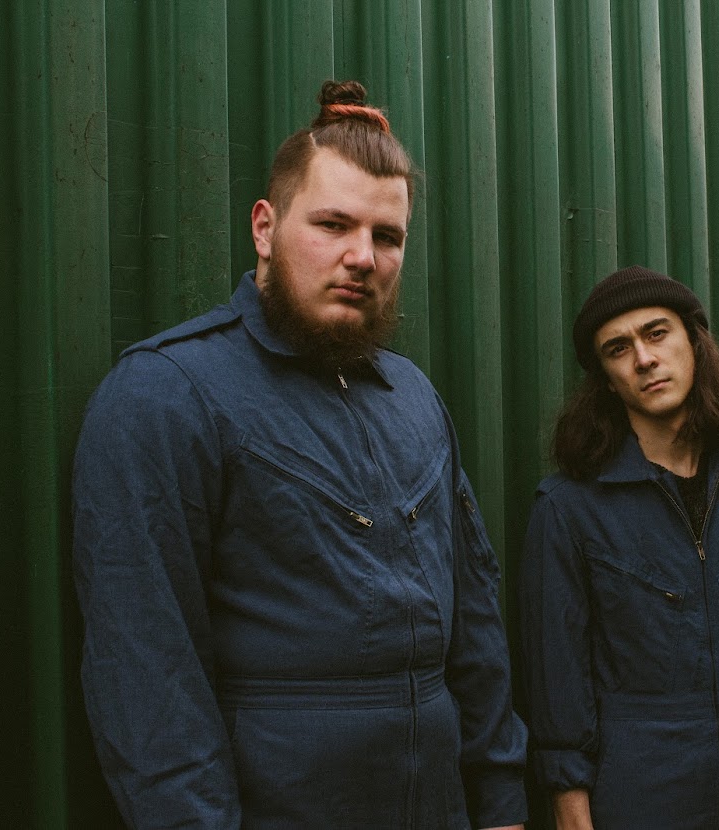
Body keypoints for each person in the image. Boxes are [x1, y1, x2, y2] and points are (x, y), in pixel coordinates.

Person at [72, 80, 527, 830]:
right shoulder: (165, 393)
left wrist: (501, 801)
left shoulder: (410, 395)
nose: (362, 257)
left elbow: (472, 617)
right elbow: (146, 673)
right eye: (332, 224)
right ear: (264, 225)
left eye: (387, 236)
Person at [519, 265, 719, 829]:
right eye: (617, 348)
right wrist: (570, 807)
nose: (643, 358)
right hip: (639, 789)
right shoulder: (569, 508)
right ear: (605, 378)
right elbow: (556, 682)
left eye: (656, 333)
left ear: (693, 343)